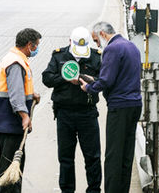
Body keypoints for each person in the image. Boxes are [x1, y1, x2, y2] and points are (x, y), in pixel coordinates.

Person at [79, 21, 142, 193]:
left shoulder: (112, 49)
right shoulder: (132, 47)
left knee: (113, 155)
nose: (97, 44)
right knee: (126, 154)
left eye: (96, 40)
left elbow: (106, 80)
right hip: (135, 104)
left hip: (119, 106)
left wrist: (89, 88)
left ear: (103, 34)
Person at [42, 26, 102, 193]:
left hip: (87, 113)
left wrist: (85, 79)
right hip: (64, 113)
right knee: (66, 158)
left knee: (93, 157)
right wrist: (66, 78)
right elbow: (47, 78)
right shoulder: (59, 55)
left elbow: (104, 79)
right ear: (70, 42)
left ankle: (94, 190)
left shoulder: (96, 57)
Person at [0, 28, 42, 193]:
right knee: (10, 166)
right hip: (9, 122)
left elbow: (18, 89)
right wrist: (25, 116)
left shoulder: (14, 57)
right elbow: (16, 95)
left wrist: (32, 95)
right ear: (29, 45)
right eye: (36, 45)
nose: (37, 49)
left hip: (3, 121)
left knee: (10, 161)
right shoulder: (16, 63)